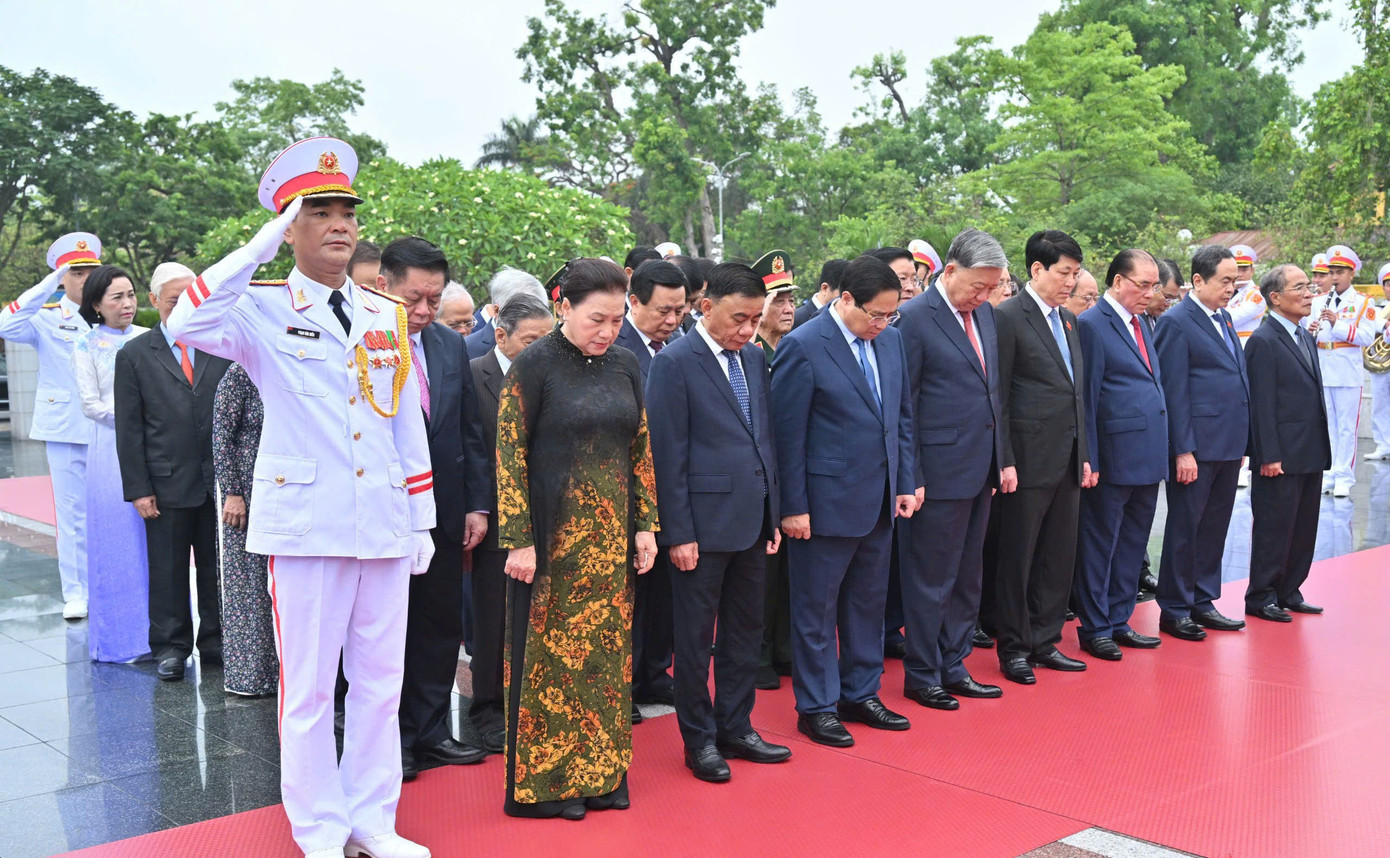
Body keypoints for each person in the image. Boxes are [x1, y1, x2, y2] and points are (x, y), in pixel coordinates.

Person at [167, 137, 436, 858]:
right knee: (310, 689)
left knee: (380, 683)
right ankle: (319, 828)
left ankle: (373, 821)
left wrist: (421, 519)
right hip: (307, 525)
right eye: (319, 212)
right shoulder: (257, 308)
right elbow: (183, 323)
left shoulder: (384, 314)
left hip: (382, 521)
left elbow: (404, 422)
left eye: (346, 211)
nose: (339, 224)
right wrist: (260, 244)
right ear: (290, 227)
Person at [495, 257, 659, 820]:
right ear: (564, 307)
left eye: (617, 320)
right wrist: (518, 538)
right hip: (551, 540)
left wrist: (646, 524)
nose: (608, 331)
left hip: (610, 542)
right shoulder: (534, 366)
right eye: (596, 319)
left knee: (606, 661)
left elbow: (640, 448)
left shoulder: (626, 364)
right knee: (550, 663)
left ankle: (603, 776)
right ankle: (546, 786)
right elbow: (509, 455)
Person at [647, 261, 789, 783]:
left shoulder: (752, 357)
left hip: (752, 521)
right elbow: (667, 455)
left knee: (745, 632)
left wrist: (773, 512)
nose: (748, 330)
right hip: (700, 530)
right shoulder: (675, 362)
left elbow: (764, 439)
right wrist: (678, 533)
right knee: (693, 640)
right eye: (738, 319)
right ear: (706, 308)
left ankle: (737, 726)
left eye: (755, 319)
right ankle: (699, 740)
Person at [771, 254, 918, 748]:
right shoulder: (803, 345)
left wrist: (905, 481)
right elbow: (787, 436)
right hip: (823, 503)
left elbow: (901, 419)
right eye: (875, 314)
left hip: (879, 498)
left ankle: (861, 692)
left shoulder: (891, 341)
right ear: (845, 299)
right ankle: (817, 706)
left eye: (891, 314)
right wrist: (793, 507)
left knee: (868, 604)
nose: (882, 323)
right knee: (816, 610)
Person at [377, 237, 491, 779]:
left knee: (439, 627)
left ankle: (431, 731)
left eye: (434, 299)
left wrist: (476, 506)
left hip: (443, 514)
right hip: (383, 515)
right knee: (384, 634)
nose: (424, 311)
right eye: (413, 299)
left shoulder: (448, 344)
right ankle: (389, 741)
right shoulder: (363, 342)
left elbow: (469, 430)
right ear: (383, 286)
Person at [895, 228, 1006, 710]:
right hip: (936, 474)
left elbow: (993, 393)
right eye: (978, 286)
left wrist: (1003, 459)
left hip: (980, 469)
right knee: (931, 579)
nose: (983, 296)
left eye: (991, 288)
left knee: (967, 576)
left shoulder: (985, 316)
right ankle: (922, 673)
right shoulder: (914, 319)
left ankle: (955, 664)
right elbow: (906, 406)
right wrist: (912, 475)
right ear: (952, 270)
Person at [115, 261, 230, 682]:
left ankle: (216, 642)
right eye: (174, 300)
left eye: (191, 299)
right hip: (164, 484)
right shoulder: (134, 355)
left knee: (217, 568)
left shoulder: (220, 344)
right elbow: (129, 429)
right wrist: (139, 488)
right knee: (167, 569)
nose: (184, 308)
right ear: (154, 300)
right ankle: (170, 646)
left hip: (218, 482)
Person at [992, 229, 1092, 685]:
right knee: (1019, 558)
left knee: (1057, 555)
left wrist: (1084, 453)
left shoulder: (1067, 320)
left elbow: (1075, 393)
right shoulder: (1008, 317)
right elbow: (999, 396)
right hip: (1027, 460)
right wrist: (1005, 458)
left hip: (1067, 456)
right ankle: (1014, 647)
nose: (1071, 282)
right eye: (1064, 273)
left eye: (1075, 273)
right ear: (1037, 269)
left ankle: (1046, 639)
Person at [468, 294, 555, 754]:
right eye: (531, 340)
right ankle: (489, 711)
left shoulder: (553, 376)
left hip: (549, 516)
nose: (542, 348)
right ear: (500, 336)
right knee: (493, 619)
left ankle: (534, 708)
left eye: (548, 338)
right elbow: (469, 448)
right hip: (496, 520)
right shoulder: (473, 374)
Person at [1073, 250, 1169, 660]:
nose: (1149, 293)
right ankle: (1095, 627)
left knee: (1132, 543)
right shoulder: (1093, 324)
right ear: (1117, 282)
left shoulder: (1140, 322)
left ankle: (1118, 618)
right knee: (1101, 544)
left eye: (1154, 286)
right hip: (1112, 456)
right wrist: (1089, 457)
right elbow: (1088, 398)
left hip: (1146, 454)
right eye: (1142, 285)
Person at [0, 232, 102, 619]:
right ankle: (76, 592)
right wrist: (49, 284)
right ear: (62, 277)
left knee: (115, 511)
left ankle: (111, 585)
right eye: (76, 272)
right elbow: (6, 325)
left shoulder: (109, 314)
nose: (85, 279)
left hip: (110, 429)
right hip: (65, 429)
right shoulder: (45, 318)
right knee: (72, 514)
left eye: (90, 271)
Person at [1152, 245, 1250, 642]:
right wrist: (1182, 449)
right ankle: (1175, 608)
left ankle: (1202, 599)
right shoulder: (1176, 322)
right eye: (1224, 281)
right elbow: (1173, 391)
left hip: (1227, 442)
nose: (1231, 288)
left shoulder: (1223, 317)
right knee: (1186, 527)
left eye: (1234, 281)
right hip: (1196, 446)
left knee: (1213, 526)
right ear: (1198, 280)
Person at [72, 265, 149, 662]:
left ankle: (163, 635)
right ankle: (121, 640)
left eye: (131, 294)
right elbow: (91, 405)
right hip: (112, 450)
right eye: (117, 297)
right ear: (97, 305)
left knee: (156, 543)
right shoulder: (86, 345)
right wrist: (137, 415)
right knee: (118, 541)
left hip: (154, 448)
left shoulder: (150, 339)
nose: (127, 303)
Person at [1245, 264, 1330, 621]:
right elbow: (1261, 403)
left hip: (1309, 448)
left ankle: (1289, 589)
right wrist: (1268, 454)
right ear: (1276, 298)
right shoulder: (1263, 341)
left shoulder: (1304, 336)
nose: (1309, 294)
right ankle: (1261, 595)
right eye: (1300, 288)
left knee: (1303, 526)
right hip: (1280, 454)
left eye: (1309, 287)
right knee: (1274, 527)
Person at [212, 359, 278, 697]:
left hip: (284, 490)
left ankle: (282, 673)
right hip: (245, 495)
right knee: (248, 585)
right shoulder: (241, 371)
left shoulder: (289, 366)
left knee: (281, 583)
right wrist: (232, 492)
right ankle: (250, 676)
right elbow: (221, 436)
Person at [1307, 245, 1377, 497]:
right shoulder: (1317, 302)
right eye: (1332, 272)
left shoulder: (1363, 303)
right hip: (1323, 370)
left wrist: (1338, 324)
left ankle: (1344, 477)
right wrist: (1311, 333)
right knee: (1327, 427)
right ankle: (1329, 473)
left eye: (1340, 272)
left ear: (1351, 274)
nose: (1334, 277)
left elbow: (1367, 337)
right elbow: (1307, 336)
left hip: (1347, 372)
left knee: (1347, 428)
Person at [615, 258, 688, 380]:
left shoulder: (682, 345)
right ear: (635, 302)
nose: (672, 321)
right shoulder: (611, 345)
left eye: (678, 311)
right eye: (663, 312)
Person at [466, 267, 548, 360]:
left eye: (542, 313)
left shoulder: (552, 347)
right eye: (525, 315)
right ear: (497, 311)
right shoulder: (467, 351)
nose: (535, 321)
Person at [1366, 262, 1390, 461]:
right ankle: (1383, 445)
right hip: (1381, 364)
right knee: (1380, 405)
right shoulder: (1377, 308)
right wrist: (1384, 325)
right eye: (1388, 284)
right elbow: (1365, 322)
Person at [753, 251, 797, 355]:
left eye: (791, 301)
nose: (789, 310)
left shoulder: (793, 348)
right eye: (779, 302)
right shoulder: (748, 351)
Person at [1224, 244, 1265, 344]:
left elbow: (1232, 318)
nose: (1239, 274)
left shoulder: (1257, 295)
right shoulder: (1224, 291)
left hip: (1245, 346)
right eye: (1236, 269)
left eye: (1244, 270)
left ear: (1252, 271)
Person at [791, 259, 847, 330]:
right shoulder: (796, 319)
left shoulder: (845, 319)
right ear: (825, 288)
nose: (848, 299)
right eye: (844, 294)